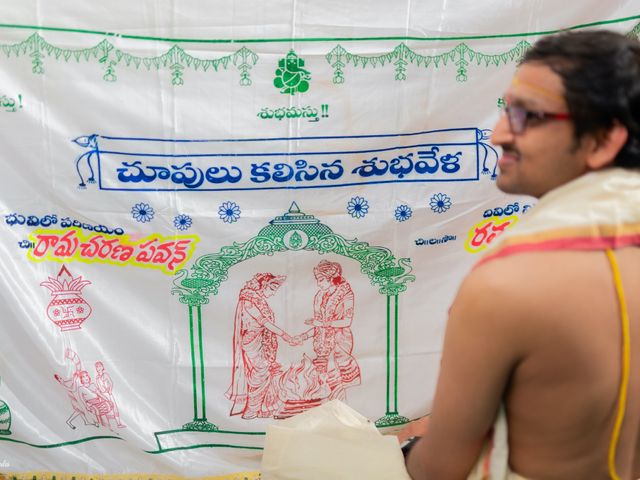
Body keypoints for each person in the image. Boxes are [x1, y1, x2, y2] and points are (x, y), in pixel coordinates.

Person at [402, 30, 640, 479]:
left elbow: (439, 471)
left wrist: (411, 447)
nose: (497, 135)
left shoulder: (507, 286)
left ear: (602, 140)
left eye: (525, 115)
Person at [292, 260, 361, 400]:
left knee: (336, 382)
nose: (318, 283)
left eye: (321, 280)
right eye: (317, 280)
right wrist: (303, 336)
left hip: (339, 342)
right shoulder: (319, 296)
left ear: (331, 278)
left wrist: (321, 323)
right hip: (322, 345)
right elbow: (318, 326)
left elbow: (346, 322)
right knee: (322, 384)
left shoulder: (346, 294)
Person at [226, 272, 292, 419]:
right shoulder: (248, 301)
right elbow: (264, 322)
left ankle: (262, 408)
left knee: (266, 372)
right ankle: (251, 409)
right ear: (263, 286)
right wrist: (286, 336)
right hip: (252, 341)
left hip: (261, 341)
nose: (274, 293)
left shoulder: (259, 301)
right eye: (272, 289)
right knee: (260, 373)